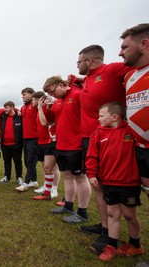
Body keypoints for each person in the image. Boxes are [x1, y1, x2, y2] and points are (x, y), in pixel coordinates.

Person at [75, 44, 133, 253]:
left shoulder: (112, 70)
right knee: (97, 184)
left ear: (90, 61)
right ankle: (104, 226)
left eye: (79, 61)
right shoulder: (88, 78)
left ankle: (110, 234)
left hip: (110, 139)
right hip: (89, 139)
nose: (77, 65)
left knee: (104, 185)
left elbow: (137, 66)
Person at [86, 102, 143, 261]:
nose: (98, 118)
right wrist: (92, 174)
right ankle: (111, 246)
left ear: (115, 117)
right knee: (112, 213)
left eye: (101, 116)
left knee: (130, 215)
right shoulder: (97, 133)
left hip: (130, 183)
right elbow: (91, 156)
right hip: (109, 183)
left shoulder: (131, 131)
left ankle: (135, 245)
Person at [42, 76, 91, 223]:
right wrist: (46, 106)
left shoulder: (77, 94)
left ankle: (82, 212)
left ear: (61, 85)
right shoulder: (58, 102)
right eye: (49, 94)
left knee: (81, 178)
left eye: (52, 91)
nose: (52, 95)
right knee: (68, 176)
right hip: (61, 145)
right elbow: (49, 120)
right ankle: (68, 205)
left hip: (76, 144)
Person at [119, 24, 149, 192]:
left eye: (125, 47)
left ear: (143, 44)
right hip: (139, 149)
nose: (120, 53)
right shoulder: (128, 76)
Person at [31, 92, 60, 199]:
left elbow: (46, 124)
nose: (32, 101)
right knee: (45, 167)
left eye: (34, 99)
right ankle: (46, 186)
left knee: (54, 167)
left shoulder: (48, 110)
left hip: (50, 141)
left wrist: (41, 107)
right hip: (41, 141)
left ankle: (54, 188)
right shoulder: (39, 111)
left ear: (40, 100)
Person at [19, 87, 39, 188]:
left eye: (24, 94)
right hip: (25, 138)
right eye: (22, 95)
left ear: (31, 95)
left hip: (35, 137)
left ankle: (26, 183)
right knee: (27, 160)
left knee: (31, 161)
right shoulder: (23, 107)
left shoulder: (35, 105)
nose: (23, 96)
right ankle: (34, 181)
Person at [0, 101, 23, 184]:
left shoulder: (19, 116)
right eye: (4, 107)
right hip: (5, 144)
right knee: (7, 161)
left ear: (12, 107)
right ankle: (7, 177)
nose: (4, 109)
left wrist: (17, 111)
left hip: (16, 144)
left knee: (17, 161)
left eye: (6, 107)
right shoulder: (2, 116)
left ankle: (19, 177)